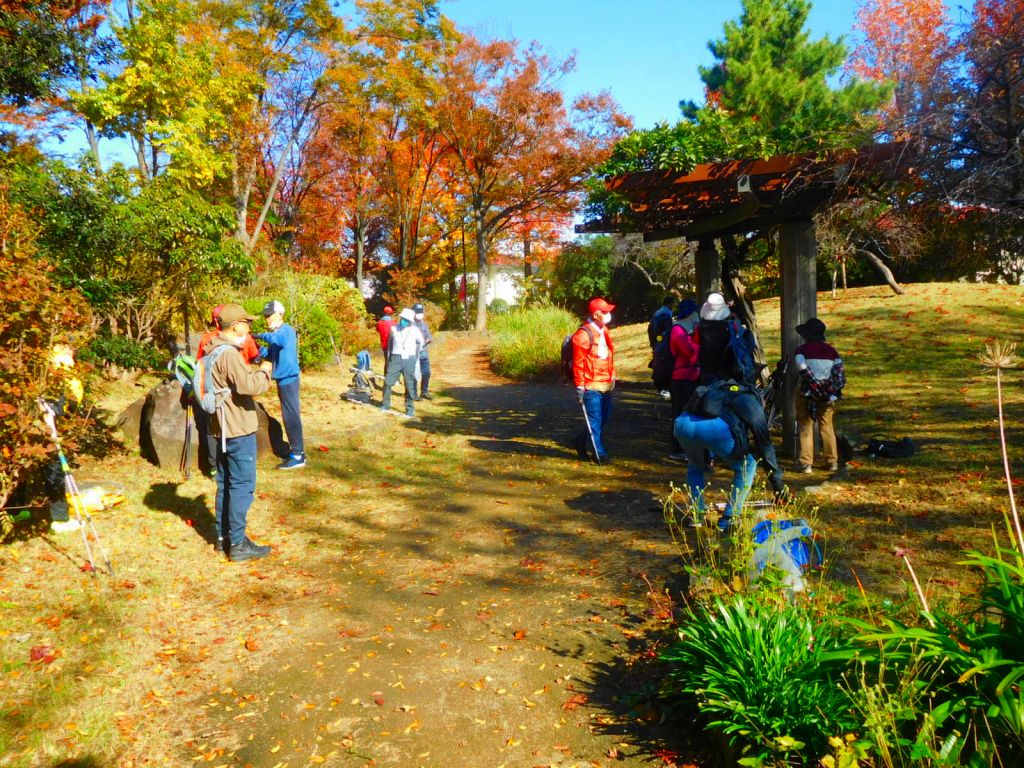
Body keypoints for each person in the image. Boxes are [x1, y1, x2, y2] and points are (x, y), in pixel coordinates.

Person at [204, 303, 274, 562]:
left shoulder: (211, 350)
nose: (250, 327)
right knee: (242, 486)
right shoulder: (229, 354)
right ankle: (238, 544)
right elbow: (247, 386)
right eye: (247, 323)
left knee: (225, 484)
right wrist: (265, 372)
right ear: (235, 326)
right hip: (237, 428)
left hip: (219, 427)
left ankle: (223, 539)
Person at [673, 380, 788, 531]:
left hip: (682, 424)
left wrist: (708, 455)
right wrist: (778, 487)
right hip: (714, 431)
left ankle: (697, 516)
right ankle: (729, 519)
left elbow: (703, 414)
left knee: (695, 466)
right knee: (747, 465)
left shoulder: (717, 388)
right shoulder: (752, 404)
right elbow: (765, 447)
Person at [256, 300, 305, 470]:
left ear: (279, 314)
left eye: (269, 315)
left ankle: (298, 455)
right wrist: (257, 349)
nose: (267, 318)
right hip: (283, 379)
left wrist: (258, 335)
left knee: (291, 416)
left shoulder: (285, 330)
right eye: (266, 315)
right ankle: (297, 453)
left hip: (289, 379)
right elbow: (270, 353)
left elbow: (278, 341)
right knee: (288, 415)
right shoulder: (278, 333)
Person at [793, 317, 846, 473]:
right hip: (827, 396)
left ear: (806, 335)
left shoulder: (801, 351)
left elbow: (804, 371)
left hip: (806, 393)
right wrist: (828, 390)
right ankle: (832, 461)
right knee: (827, 426)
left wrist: (815, 387)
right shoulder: (832, 352)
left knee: (805, 426)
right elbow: (839, 376)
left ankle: (806, 463)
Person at [571, 297, 616, 463]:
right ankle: (600, 454)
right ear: (596, 314)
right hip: (591, 384)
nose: (608, 314)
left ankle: (579, 441)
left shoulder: (604, 330)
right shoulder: (582, 335)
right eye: (605, 312)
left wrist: (612, 374)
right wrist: (580, 387)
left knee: (602, 417)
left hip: (605, 383)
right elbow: (578, 364)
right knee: (595, 419)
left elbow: (609, 354)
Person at [668, 299, 700, 461]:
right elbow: (690, 352)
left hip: (691, 377)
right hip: (681, 379)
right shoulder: (678, 330)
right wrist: (698, 338)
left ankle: (686, 447)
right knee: (680, 414)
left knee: (688, 414)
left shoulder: (687, 329)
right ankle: (677, 448)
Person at [381, 307, 424, 418]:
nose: (403, 320)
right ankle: (385, 404)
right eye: (402, 318)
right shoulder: (393, 329)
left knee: (409, 384)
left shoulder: (415, 330)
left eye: (406, 319)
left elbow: (421, 342)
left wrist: (415, 355)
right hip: (395, 357)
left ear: (410, 321)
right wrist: (390, 357)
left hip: (409, 358)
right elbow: (390, 344)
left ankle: (409, 408)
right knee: (387, 381)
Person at [696, 292, 734, 385]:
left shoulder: (700, 328)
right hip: (726, 368)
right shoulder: (729, 327)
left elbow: (695, 348)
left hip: (706, 369)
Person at [648, 295, 675, 398]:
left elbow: (651, 328)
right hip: (662, 343)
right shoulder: (666, 313)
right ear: (670, 303)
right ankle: (663, 388)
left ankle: (659, 386)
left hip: (656, 341)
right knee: (663, 365)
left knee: (657, 363)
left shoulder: (658, 312)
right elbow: (667, 330)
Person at [412, 302, 433, 400]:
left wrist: (428, 339)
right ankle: (414, 394)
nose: (420, 313)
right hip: (413, 353)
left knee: (426, 372)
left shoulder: (424, 324)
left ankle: (424, 392)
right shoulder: (410, 325)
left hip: (424, 352)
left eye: (421, 311)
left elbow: (429, 335)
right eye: (418, 311)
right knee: (414, 373)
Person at [375, 306, 395, 371]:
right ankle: (390, 376)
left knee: (386, 360)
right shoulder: (393, 323)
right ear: (390, 314)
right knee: (392, 361)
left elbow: (377, 330)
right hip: (392, 344)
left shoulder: (379, 323)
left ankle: (386, 375)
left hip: (384, 344)